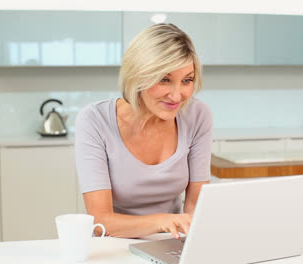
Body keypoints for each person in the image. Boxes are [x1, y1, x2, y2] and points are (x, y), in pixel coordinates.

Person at [75, 23, 213, 239]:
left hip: (171, 243)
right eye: (164, 80)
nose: (177, 96)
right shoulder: (95, 120)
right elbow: (100, 220)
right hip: (112, 246)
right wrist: (163, 221)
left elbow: (195, 204)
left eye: (187, 80)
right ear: (138, 75)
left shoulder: (197, 115)